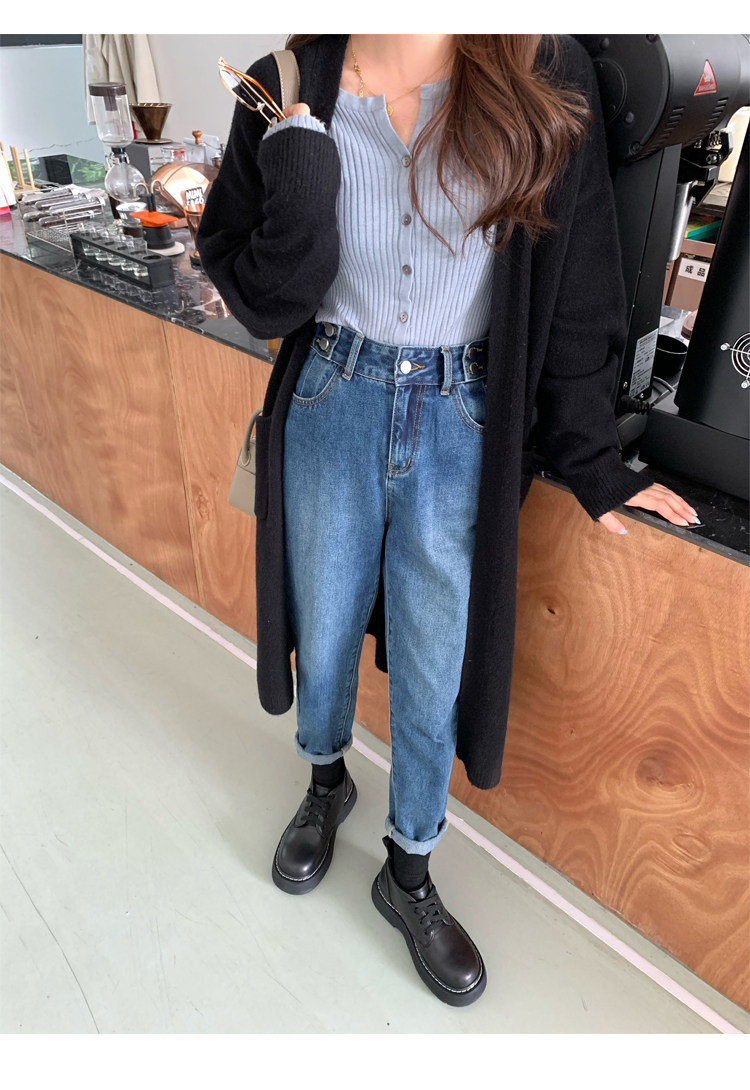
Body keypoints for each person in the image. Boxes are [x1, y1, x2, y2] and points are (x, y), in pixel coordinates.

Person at [196, 34, 698, 1008]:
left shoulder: (542, 71)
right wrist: (300, 165)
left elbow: (581, 285)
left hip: (462, 418)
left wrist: (596, 460)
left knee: (435, 662)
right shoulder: (285, 81)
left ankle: (409, 867)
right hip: (332, 394)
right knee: (324, 627)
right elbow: (262, 296)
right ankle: (324, 782)